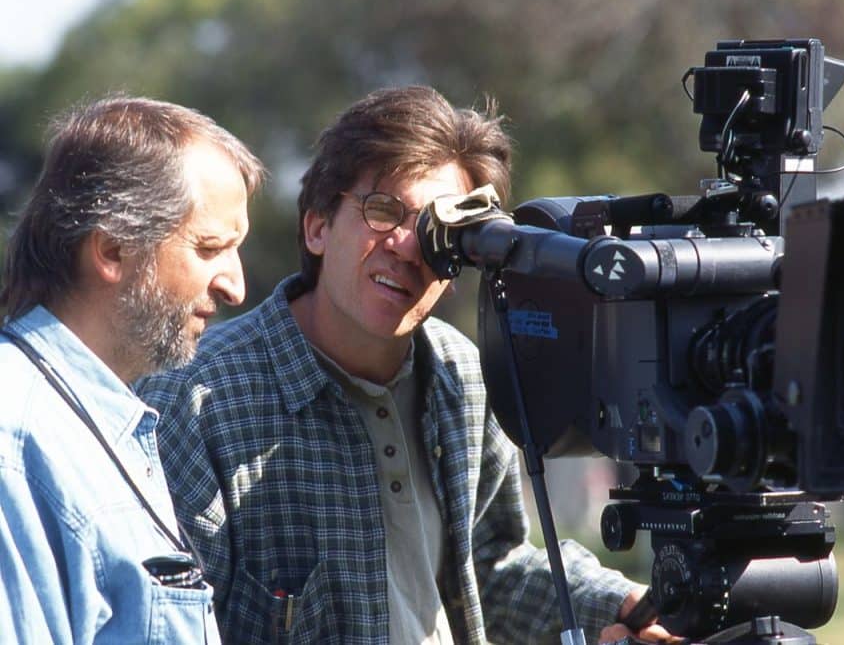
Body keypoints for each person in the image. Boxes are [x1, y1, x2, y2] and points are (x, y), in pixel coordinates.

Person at [138, 85, 678, 644]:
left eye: (440, 231)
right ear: (318, 225)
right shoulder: (198, 401)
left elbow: (490, 568)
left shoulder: (463, 373)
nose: (407, 246)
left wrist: (623, 605)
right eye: (383, 211)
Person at [0, 95, 264, 643]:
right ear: (114, 249)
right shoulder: (16, 441)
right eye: (211, 247)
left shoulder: (97, 417)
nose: (235, 287)